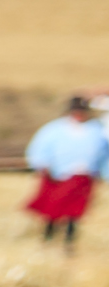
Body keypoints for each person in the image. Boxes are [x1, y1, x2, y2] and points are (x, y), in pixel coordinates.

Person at [25, 95, 104, 250]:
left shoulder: (96, 131)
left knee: (74, 211)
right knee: (53, 209)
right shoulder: (54, 129)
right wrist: (43, 165)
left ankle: (69, 241)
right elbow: (39, 150)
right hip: (58, 175)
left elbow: (104, 155)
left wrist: (103, 173)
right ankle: (48, 237)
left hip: (84, 177)